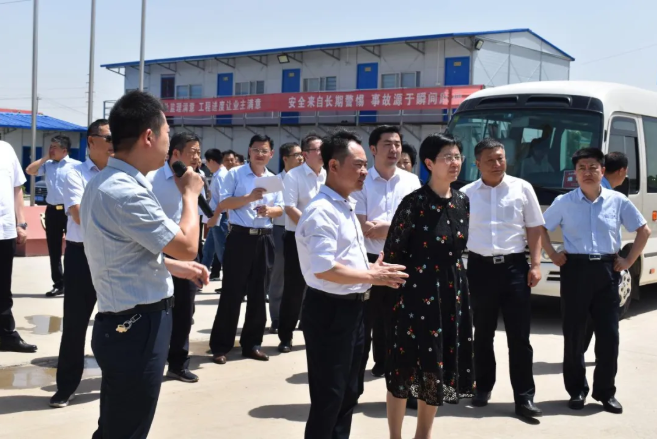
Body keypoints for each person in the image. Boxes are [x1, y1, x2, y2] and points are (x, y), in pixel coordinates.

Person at [80, 91, 209, 439]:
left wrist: (172, 267)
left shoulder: (108, 182)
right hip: (136, 327)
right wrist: (190, 195)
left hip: (128, 323)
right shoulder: (125, 192)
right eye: (167, 133)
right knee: (127, 429)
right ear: (148, 136)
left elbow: (123, 253)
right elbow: (188, 246)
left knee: (117, 425)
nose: (169, 143)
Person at [295, 129, 408, 439]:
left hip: (354, 310)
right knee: (329, 396)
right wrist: (372, 276)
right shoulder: (321, 212)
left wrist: (371, 268)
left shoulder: (343, 205)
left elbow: (343, 261)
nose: (364, 172)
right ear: (333, 166)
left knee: (349, 391)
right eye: (358, 165)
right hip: (330, 311)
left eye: (364, 165)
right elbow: (324, 268)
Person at [541, 147, 650, 414]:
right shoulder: (564, 202)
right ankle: (577, 391)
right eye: (582, 168)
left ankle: (605, 392)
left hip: (606, 270)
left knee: (609, 335)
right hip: (575, 270)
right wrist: (552, 254)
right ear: (574, 174)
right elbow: (539, 227)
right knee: (574, 335)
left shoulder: (617, 201)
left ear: (602, 171)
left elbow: (644, 230)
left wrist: (628, 261)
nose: (587, 172)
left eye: (593, 167)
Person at [384, 133, 474, 439]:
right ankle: (395, 436)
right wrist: (397, 301)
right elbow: (393, 255)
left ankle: (423, 434)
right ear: (429, 163)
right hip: (415, 295)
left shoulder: (462, 200)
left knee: (436, 366)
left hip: (451, 292)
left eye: (458, 156)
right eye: (447, 157)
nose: (454, 163)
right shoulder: (414, 203)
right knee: (404, 368)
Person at [461, 138, 544, 419]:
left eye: (501, 158)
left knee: (519, 337)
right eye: (490, 160)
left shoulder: (522, 188)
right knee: (482, 334)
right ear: (477, 164)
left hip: (514, 269)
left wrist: (535, 264)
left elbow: (535, 228)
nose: (497, 164)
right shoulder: (466, 194)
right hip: (479, 269)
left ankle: (524, 398)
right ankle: (482, 387)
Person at [49, 119, 113, 408]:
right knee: (75, 324)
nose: (114, 143)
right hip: (82, 256)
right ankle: (66, 386)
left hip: (114, 256)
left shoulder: (121, 173)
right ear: (91, 141)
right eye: (109, 137)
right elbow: (77, 214)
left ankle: (115, 378)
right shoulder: (74, 173)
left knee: (118, 321)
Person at [353, 126, 421, 394]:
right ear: (373, 149)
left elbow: (419, 225)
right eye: (387, 144)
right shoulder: (362, 181)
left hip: (403, 262)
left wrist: (387, 227)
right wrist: (400, 227)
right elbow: (360, 227)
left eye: (397, 144)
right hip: (369, 262)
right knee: (363, 328)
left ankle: (401, 390)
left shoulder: (412, 182)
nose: (394, 149)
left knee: (402, 330)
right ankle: (353, 391)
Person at [209, 134, 283, 364]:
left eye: (265, 150)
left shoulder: (273, 179)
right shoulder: (235, 174)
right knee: (232, 292)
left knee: (259, 294)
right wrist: (249, 197)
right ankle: (221, 345)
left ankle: (252, 344)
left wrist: (270, 211)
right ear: (249, 151)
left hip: (265, 237)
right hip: (240, 237)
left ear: (271, 154)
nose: (260, 154)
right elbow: (224, 203)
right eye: (256, 150)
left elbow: (281, 208)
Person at [147, 131, 205, 384]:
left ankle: (178, 363)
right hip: (159, 248)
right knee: (157, 307)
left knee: (184, 310)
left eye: (199, 152)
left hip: (188, 250)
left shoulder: (196, 179)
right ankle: (151, 360)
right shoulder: (152, 179)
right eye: (192, 152)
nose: (197, 157)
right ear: (176, 153)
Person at [277, 134, 326, 352]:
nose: (322, 153)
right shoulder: (294, 176)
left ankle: (313, 331)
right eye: (317, 150)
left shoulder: (328, 174)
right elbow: (289, 207)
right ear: (305, 154)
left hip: (323, 238)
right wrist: (311, 228)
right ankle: (285, 336)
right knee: (294, 289)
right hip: (297, 238)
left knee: (320, 287)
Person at [25, 135, 80, 297]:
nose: (51, 150)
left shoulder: (76, 166)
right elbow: (30, 170)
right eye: (50, 146)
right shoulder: (47, 165)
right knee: (54, 248)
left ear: (64, 150)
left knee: (73, 248)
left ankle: (72, 283)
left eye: (54, 147)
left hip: (69, 211)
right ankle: (59, 283)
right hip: (52, 212)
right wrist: (46, 157)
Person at [0, 140, 36, 353]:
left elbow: (17, 189)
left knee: (3, 288)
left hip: (4, 230)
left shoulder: (6, 149)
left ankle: (6, 335)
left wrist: (21, 223)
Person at [268, 142, 304, 334]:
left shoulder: (306, 177)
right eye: (296, 155)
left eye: (301, 154)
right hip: (279, 229)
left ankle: (301, 316)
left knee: (304, 275)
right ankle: (276, 317)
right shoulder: (274, 181)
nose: (300, 158)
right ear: (285, 158)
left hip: (302, 230)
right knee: (279, 274)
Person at [201, 148, 227, 280]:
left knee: (222, 251)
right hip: (215, 217)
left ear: (211, 161)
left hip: (219, 217)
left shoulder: (222, 176)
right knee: (208, 249)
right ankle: (200, 278)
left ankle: (230, 282)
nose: (206, 165)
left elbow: (223, 201)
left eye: (206, 162)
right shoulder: (218, 175)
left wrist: (215, 217)